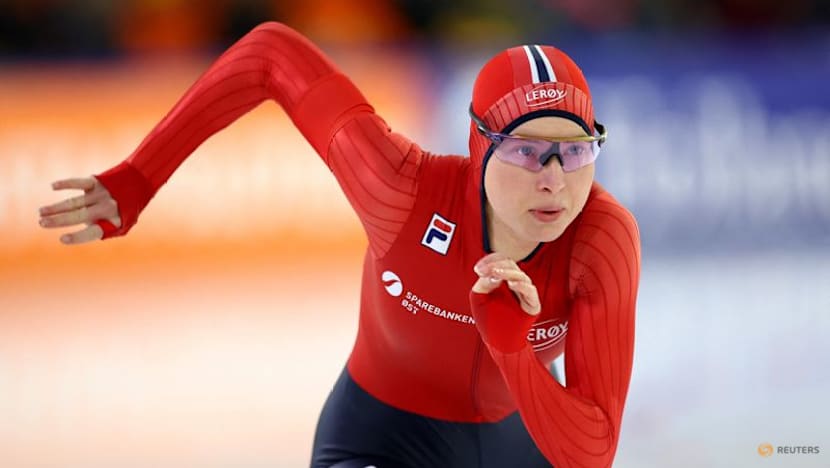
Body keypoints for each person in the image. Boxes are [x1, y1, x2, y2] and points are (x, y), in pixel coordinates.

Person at [38, 22, 640, 468]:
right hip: (381, 437)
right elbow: (271, 54)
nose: (555, 179)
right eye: (527, 150)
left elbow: (592, 449)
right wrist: (142, 176)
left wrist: (511, 350)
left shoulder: (602, 241)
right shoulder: (401, 190)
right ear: (479, 148)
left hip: (520, 437)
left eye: (577, 149)